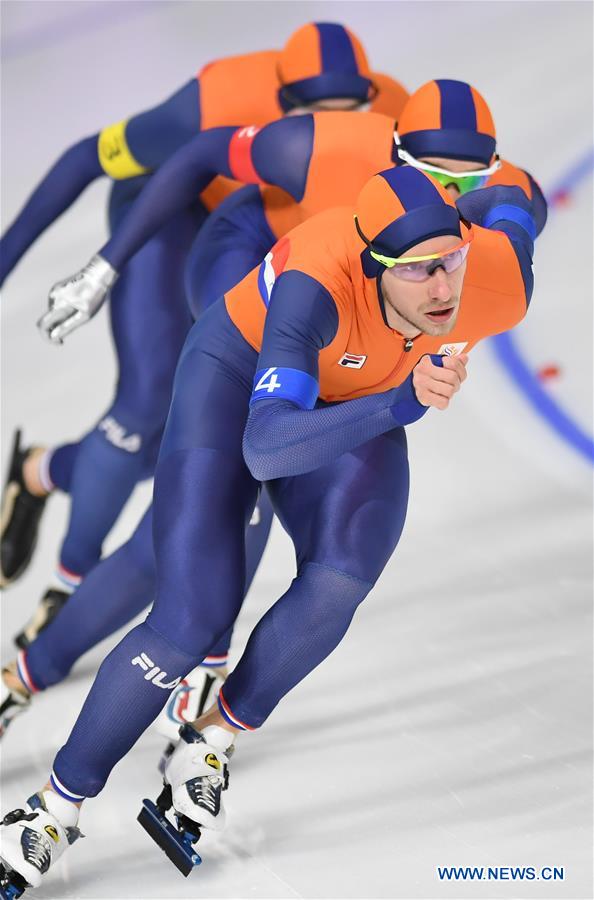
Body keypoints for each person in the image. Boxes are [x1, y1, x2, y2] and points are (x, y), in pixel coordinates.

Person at [0, 165, 537, 892]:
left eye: (451, 261)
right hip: (236, 384)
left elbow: (519, 199)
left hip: (359, 393)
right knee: (189, 621)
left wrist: (498, 203)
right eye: (417, 271)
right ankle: (52, 808)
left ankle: (211, 737)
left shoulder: (493, 280)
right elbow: (268, 448)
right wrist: (399, 404)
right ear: (375, 268)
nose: (442, 289)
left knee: (340, 579)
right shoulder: (316, 285)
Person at [1, 22, 405, 640]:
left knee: (201, 430)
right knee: (146, 407)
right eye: (314, 115)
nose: (331, 132)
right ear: (281, 105)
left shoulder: (397, 119)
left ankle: (43, 472)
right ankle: (71, 581)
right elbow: (87, 156)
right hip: (174, 214)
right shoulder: (217, 99)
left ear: (371, 98)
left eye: (348, 112)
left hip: (268, 237)